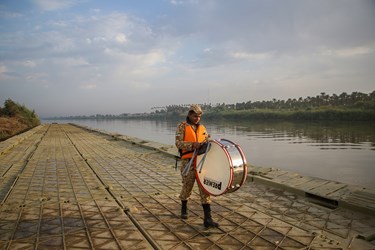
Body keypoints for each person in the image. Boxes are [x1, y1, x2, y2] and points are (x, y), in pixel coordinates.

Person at [175, 104, 219, 228]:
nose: (197, 118)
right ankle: (184, 208)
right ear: (189, 114)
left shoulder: (202, 128)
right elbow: (178, 143)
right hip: (188, 162)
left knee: (204, 188)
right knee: (187, 186)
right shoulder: (182, 127)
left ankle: (208, 218)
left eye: (199, 116)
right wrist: (192, 145)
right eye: (195, 116)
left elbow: (206, 141)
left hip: (201, 162)